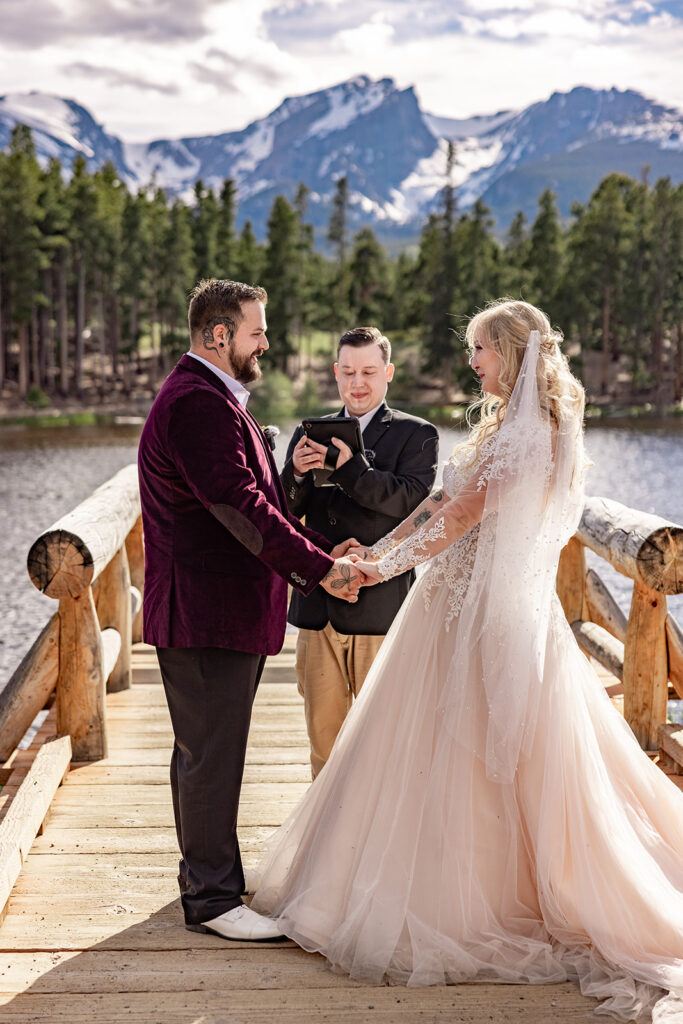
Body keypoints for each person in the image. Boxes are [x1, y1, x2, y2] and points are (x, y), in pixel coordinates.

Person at [252, 299, 683, 1021]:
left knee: (479, 753)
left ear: (510, 353)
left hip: (484, 616)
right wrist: (380, 552)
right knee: (456, 753)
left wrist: (377, 570)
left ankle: (484, 900)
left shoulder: (529, 434)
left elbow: (453, 519)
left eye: (480, 348)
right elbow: (437, 505)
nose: (472, 359)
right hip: (462, 605)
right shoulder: (509, 429)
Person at [138, 279, 364, 942]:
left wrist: (322, 546)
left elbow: (255, 505)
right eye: (255, 331)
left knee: (207, 751)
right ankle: (210, 899)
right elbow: (240, 506)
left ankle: (208, 881)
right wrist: (321, 568)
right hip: (205, 612)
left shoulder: (206, 398)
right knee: (210, 753)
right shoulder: (197, 405)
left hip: (213, 609)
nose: (265, 341)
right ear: (217, 336)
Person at [281, 326, 438, 778]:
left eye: (368, 371)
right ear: (335, 374)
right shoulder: (308, 433)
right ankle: (327, 848)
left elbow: (410, 503)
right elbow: (282, 512)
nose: (358, 383)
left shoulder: (416, 434)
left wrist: (352, 470)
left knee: (385, 748)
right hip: (318, 612)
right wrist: (294, 472)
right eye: (348, 372)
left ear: (387, 373)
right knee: (323, 744)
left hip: (382, 611)